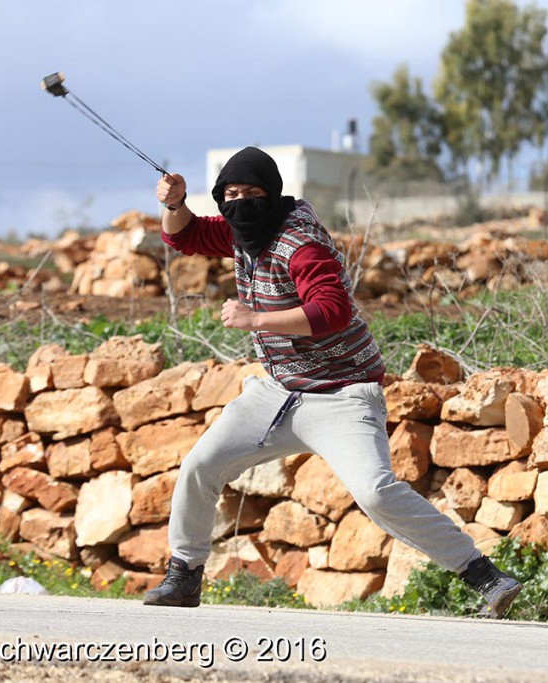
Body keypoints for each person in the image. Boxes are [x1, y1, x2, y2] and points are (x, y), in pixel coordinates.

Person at [143, 146, 522, 617]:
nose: (240, 203)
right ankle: (184, 576)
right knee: (202, 463)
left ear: (273, 194)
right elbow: (189, 237)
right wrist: (175, 204)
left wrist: (256, 318)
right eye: (231, 194)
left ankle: (487, 576)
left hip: (343, 393)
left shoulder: (301, 243)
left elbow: (331, 310)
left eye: (252, 193)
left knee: (376, 491)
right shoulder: (246, 230)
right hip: (279, 391)